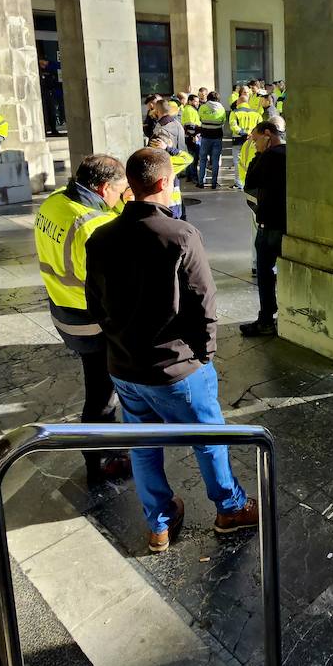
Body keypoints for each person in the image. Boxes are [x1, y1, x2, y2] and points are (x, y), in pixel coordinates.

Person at [85, 148, 259, 553]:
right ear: (164, 183)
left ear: (132, 184)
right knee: (208, 437)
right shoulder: (181, 235)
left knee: (143, 444)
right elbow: (203, 304)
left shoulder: (101, 236)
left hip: (124, 367)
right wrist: (204, 355)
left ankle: (159, 525)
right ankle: (230, 509)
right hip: (177, 369)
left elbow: (95, 302)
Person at [33, 154, 131, 482]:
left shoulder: (54, 202)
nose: (121, 196)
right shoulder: (93, 226)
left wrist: (118, 205)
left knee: (98, 385)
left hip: (62, 310)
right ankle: (100, 461)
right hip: (91, 322)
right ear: (103, 188)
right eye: (119, 191)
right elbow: (115, 284)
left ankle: (102, 455)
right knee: (102, 396)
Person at [239, 118, 286, 337]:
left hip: (269, 226)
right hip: (289, 225)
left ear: (268, 134)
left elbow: (250, 185)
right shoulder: (293, 154)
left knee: (265, 272)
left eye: (257, 139)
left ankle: (266, 318)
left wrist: (259, 155)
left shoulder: (266, 157)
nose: (254, 145)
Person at [228, 96, 261, 191]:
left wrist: (244, 133)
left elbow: (233, 126)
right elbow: (260, 126)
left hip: (238, 140)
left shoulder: (234, 113)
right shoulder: (256, 113)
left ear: (238, 102)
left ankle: (239, 183)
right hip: (253, 140)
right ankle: (253, 181)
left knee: (238, 161)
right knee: (252, 160)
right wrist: (251, 134)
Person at [196, 91, 227, 189]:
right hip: (217, 137)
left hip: (205, 136)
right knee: (215, 160)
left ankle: (201, 182)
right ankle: (214, 183)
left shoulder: (202, 107)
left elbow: (199, 119)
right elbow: (223, 122)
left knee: (203, 160)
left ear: (208, 98)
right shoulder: (221, 108)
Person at [180, 93, 202, 184]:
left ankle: (189, 176)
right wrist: (194, 136)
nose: (197, 103)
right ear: (190, 101)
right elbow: (190, 126)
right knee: (194, 158)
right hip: (192, 137)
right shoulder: (189, 110)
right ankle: (193, 177)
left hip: (190, 136)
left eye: (198, 101)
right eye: (195, 101)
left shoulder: (189, 109)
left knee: (191, 156)